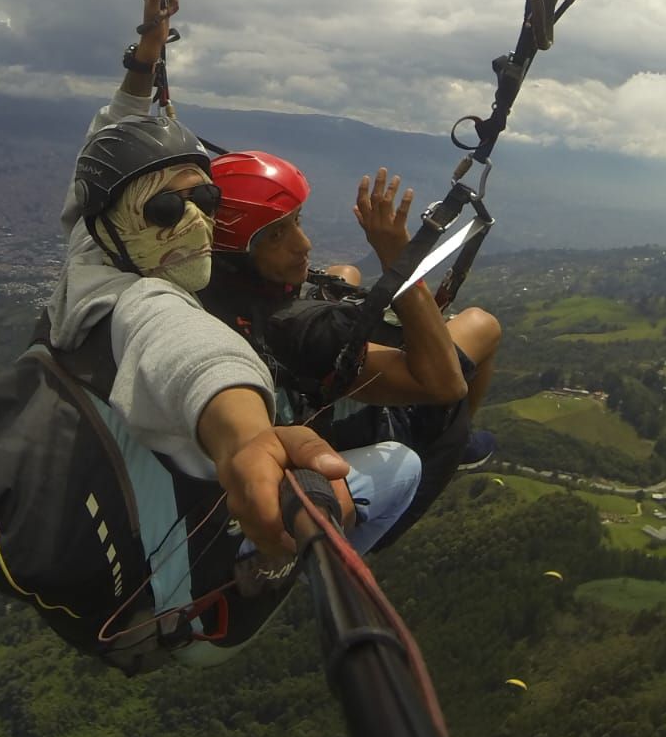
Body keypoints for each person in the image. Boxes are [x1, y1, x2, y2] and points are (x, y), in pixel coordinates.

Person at [45, 0, 422, 586]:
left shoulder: (95, 239)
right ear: (123, 219)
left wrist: (149, 49)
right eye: (169, 208)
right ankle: (266, 566)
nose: (195, 220)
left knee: (337, 276)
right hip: (179, 559)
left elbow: (112, 139)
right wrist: (250, 438)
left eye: (207, 200)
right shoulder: (139, 303)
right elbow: (191, 354)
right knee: (402, 465)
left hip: (126, 472)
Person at [199, 150, 503, 547]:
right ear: (239, 251)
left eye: (297, 222)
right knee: (483, 325)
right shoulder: (303, 330)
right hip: (373, 433)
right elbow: (446, 383)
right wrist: (399, 257)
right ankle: (452, 438)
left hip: (291, 386)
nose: (303, 243)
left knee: (345, 271)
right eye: (277, 234)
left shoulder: (208, 289)